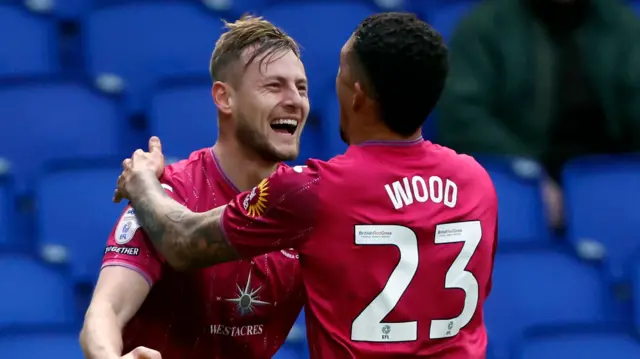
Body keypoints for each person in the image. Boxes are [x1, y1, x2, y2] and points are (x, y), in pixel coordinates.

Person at [114, 13, 498, 358]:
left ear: (357, 94)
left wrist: (143, 183)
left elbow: (181, 241)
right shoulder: (476, 182)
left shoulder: (315, 190)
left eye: (340, 73)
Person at [80, 16, 309, 359]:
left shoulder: (308, 203)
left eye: (301, 88)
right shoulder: (167, 195)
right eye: (274, 86)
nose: (295, 101)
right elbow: (105, 312)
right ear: (224, 98)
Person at [436, 0, 640, 228]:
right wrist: (528, 176)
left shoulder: (621, 25)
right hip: (519, 167)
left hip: (607, 173)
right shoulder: (485, 27)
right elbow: (462, 116)